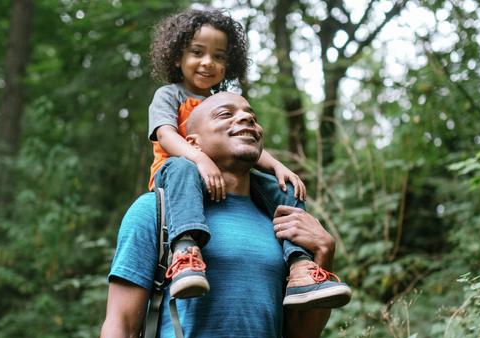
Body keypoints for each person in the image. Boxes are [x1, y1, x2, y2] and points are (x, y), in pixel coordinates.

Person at [97, 92, 346, 338]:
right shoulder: (155, 211)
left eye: (251, 115)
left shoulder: (281, 224)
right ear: (192, 142)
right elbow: (120, 324)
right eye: (226, 114)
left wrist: (323, 254)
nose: (245, 119)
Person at [147, 8, 351, 309]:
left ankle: (300, 267)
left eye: (219, 56)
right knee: (181, 167)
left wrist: (278, 167)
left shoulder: (224, 100)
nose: (208, 62)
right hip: (178, 176)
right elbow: (165, 135)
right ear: (177, 57)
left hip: (224, 177)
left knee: (283, 189)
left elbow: (245, 145)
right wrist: (199, 159)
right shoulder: (170, 95)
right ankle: (186, 253)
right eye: (197, 53)